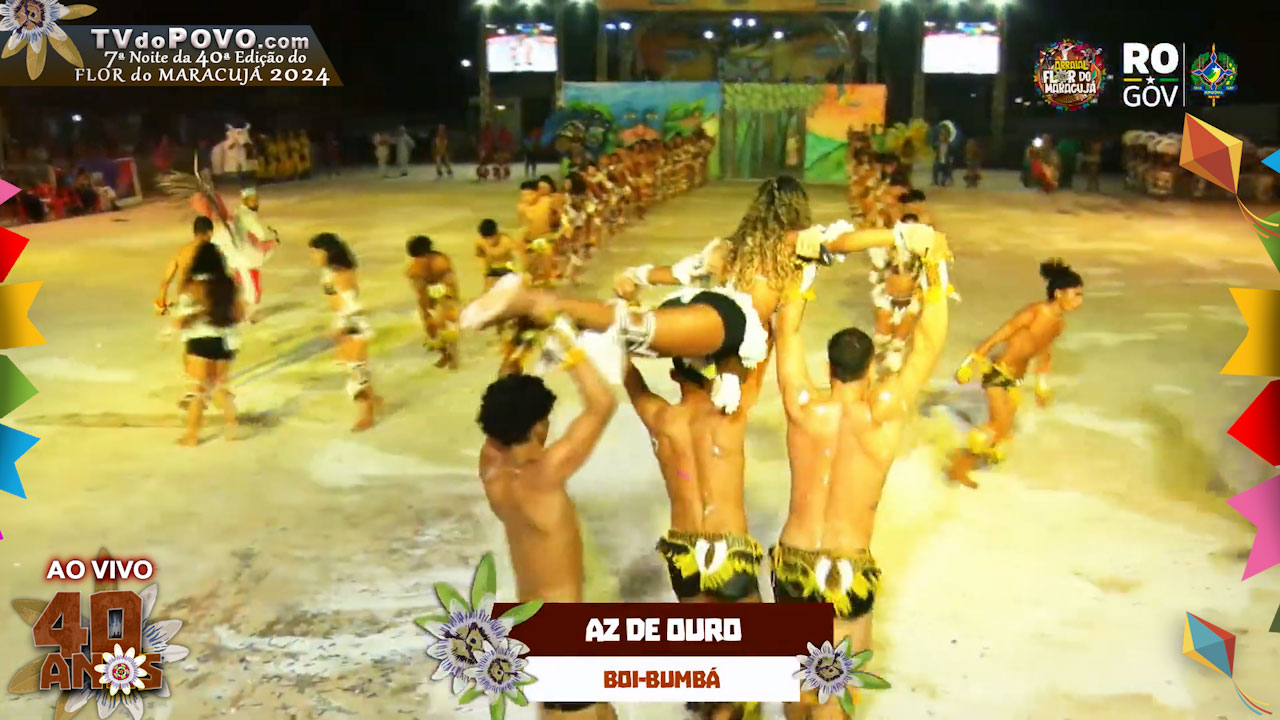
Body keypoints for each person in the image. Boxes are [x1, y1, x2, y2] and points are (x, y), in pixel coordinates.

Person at [770, 226, 951, 719]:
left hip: (793, 559)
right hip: (845, 567)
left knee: (796, 687)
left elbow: (786, 333)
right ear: (870, 369)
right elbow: (927, 346)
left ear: (828, 367)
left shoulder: (802, 406)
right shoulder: (882, 411)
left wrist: (804, 268)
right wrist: (936, 268)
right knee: (834, 697)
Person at [462, 176, 821, 412]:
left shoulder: (734, 248)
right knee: (630, 332)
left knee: (625, 335)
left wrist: (637, 275)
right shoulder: (792, 253)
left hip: (705, 322)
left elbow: (681, 271)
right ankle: (532, 302)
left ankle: (536, 316)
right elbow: (838, 245)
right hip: (723, 324)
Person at [476, 323, 619, 720]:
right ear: (539, 425)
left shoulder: (491, 470)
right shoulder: (545, 473)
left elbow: (501, 407)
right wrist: (565, 344)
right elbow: (603, 403)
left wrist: (517, 350)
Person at [625, 352, 770, 606]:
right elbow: (756, 355)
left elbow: (627, 376)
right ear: (713, 376)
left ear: (674, 375)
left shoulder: (660, 419)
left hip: (684, 554)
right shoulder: (730, 414)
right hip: (729, 547)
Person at [947, 259, 1084, 487]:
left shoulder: (1059, 324)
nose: (1080, 300)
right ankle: (957, 469)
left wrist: (1042, 385)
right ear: (1059, 293)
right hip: (998, 373)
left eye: (1081, 295)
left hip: (1014, 380)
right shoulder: (1036, 312)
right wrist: (971, 361)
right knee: (997, 426)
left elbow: (1044, 353)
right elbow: (1004, 332)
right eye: (1076, 294)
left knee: (1004, 431)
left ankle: (971, 466)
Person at [173, 242, 245, 446]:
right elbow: (239, 315)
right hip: (226, 342)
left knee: (198, 391)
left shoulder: (191, 287)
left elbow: (181, 321)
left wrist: (200, 313)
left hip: (200, 342)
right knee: (221, 387)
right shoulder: (229, 285)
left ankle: (192, 436)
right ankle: (233, 428)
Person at [309, 233, 382, 432]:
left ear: (328, 253)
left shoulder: (342, 275)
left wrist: (339, 328)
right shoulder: (329, 273)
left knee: (357, 373)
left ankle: (367, 415)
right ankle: (374, 401)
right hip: (345, 323)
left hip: (353, 326)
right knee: (355, 369)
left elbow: (352, 306)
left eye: (316, 252)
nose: (312, 257)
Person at [225, 188, 280, 323]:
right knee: (252, 289)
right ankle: (249, 314)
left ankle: (240, 311)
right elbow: (260, 236)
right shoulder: (247, 216)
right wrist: (272, 242)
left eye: (256, 199)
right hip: (247, 259)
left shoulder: (241, 214)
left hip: (242, 258)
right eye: (252, 200)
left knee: (243, 287)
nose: (256, 202)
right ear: (245, 201)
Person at [407, 235, 460, 370]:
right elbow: (451, 283)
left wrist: (425, 311)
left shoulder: (417, 268)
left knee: (438, 328)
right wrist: (455, 299)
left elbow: (421, 293)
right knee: (445, 328)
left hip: (435, 295)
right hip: (441, 294)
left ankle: (447, 356)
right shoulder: (441, 260)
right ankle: (450, 359)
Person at [155, 216, 216, 315]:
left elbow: (165, 283)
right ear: (210, 232)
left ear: (195, 232)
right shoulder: (212, 251)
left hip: (186, 300)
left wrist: (161, 306)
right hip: (205, 302)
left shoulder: (181, 253)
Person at [475, 218, 525, 291]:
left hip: (508, 268)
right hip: (493, 269)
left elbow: (520, 257)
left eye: (491, 237)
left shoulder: (506, 241)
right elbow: (482, 258)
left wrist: (522, 274)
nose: (489, 241)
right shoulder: (479, 242)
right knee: (487, 291)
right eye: (486, 238)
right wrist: (485, 274)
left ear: (496, 233)